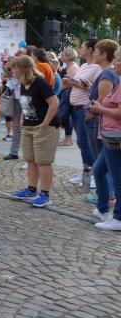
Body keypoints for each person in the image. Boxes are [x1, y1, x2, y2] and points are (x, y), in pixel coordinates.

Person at [10, 55, 60, 207]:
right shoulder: (23, 83)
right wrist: (23, 119)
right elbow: (27, 104)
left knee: (43, 162)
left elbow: (54, 103)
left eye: (14, 68)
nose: (12, 71)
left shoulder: (40, 83)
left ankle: (45, 195)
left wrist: (45, 123)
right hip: (29, 126)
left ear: (23, 69)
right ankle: (31, 189)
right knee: (31, 160)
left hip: (44, 128)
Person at [87, 45, 121, 230]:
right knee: (99, 170)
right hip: (110, 135)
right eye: (115, 59)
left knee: (117, 177)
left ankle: (118, 218)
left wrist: (100, 109)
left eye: (118, 60)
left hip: (116, 136)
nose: (115, 63)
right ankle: (102, 209)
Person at [64, 39, 101, 187]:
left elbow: (94, 88)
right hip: (76, 108)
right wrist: (72, 83)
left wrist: (77, 84)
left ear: (91, 49)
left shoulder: (97, 68)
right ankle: (86, 172)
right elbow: (79, 83)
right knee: (82, 142)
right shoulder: (84, 65)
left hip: (85, 108)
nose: (79, 49)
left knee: (87, 143)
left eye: (82, 47)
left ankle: (93, 174)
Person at [58, 47, 79, 146]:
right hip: (65, 93)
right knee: (64, 115)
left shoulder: (73, 67)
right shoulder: (68, 66)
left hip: (68, 93)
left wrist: (59, 90)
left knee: (65, 115)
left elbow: (73, 83)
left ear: (68, 56)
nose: (61, 56)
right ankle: (67, 139)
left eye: (63, 54)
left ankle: (68, 139)